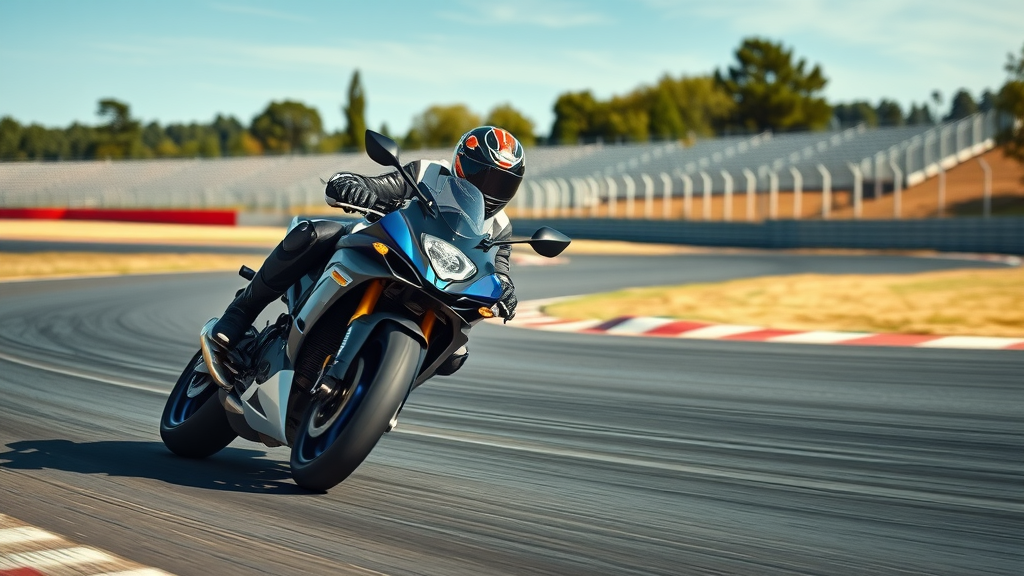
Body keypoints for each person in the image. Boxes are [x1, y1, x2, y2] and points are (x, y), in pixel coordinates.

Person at [202, 126, 525, 385]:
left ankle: (382, 387)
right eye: (482, 174)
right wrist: (353, 187)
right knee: (314, 234)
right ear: (459, 163)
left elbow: (499, 268)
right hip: (388, 248)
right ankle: (239, 314)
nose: (489, 188)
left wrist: (506, 290)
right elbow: (379, 184)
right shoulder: (427, 173)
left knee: (455, 354)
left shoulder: (500, 227)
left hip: (436, 283)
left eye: (502, 182)